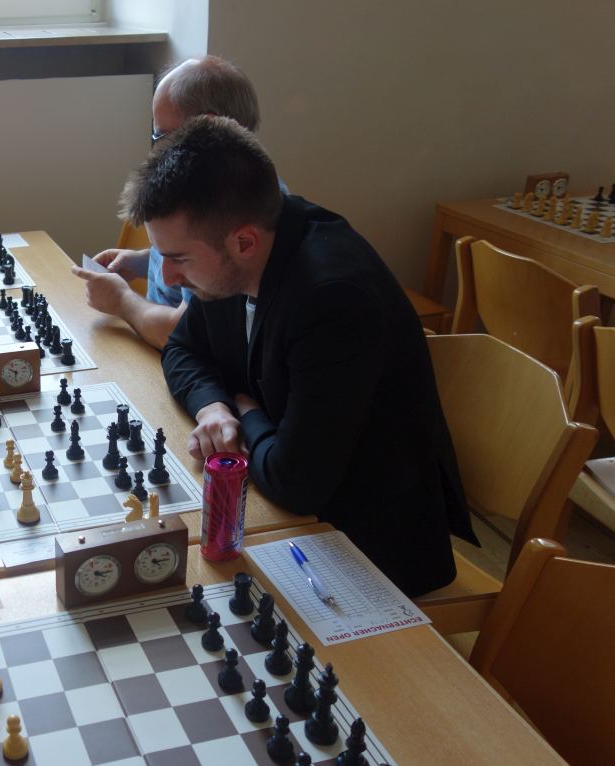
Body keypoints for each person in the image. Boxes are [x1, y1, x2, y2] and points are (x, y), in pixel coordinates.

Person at [123, 115, 476, 596]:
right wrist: (214, 407)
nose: (168, 276)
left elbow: (295, 483)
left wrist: (245, 410)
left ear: (244, 241)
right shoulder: (235, 254)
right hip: (290, 497)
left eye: (178, 258)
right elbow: (184, 347)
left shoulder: (333, 299)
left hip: (365, 545)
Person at [72, 56, 268, 349]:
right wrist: (143, 261)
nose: (158, 147)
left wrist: (121, 300)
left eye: (162, 135)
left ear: (208, 127)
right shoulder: (197, 190)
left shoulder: (224, 211)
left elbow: (183, 332)